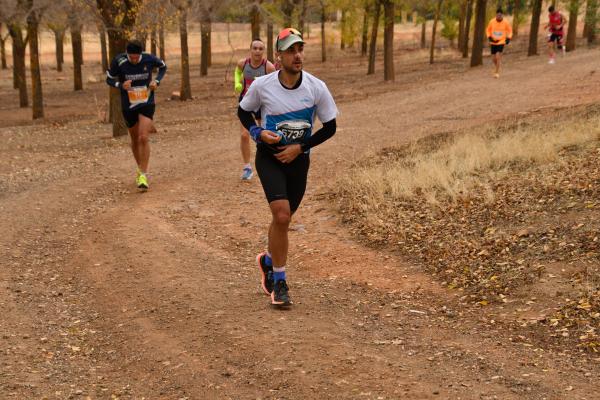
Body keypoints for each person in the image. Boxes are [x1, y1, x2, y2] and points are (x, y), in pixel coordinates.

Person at [237, 28, 338, 307]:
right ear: (278, 56)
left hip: (299, 161)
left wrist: (300, 147)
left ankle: (268, 260)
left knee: (284, 220)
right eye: (291, 50)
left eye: (300, 49)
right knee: (281, 217)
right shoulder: (262, 86)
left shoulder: (316, 87)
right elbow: (243, 111)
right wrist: (257, 133)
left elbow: (330, 127)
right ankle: (279, 282)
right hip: (269, 158)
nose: (298, 55)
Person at [106, 40, 167, 190]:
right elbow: (108, 79)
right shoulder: (119, 61)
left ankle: (143, 175)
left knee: (143, 137)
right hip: (128, 104)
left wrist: (157, 81)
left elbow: (163, 67)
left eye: (136, 57)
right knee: (134, 138)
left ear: (141, 54)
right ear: (127, 54)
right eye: (131, 57)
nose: (133, 60)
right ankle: (140, 168)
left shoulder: (149, 58)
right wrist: (120, 85)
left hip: (146, 102)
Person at [234, 39, 276, 181]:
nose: (257, 51)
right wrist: (237, 83)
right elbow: (237, 72)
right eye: (255, 48)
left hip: (262, 104)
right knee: (245, 135)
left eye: (260, 49)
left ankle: (266, 163)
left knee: (263, 134)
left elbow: (275, 84)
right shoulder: (242, 63)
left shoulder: (269, 67)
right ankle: (247, 167)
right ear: (250, 49)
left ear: (263, 51)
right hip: (246, 103)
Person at [486, 8, 513, 79]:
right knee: (493, 59)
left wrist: (508, 38)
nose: (499, 17)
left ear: (502, 15)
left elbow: (510, 31)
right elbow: (488, 30)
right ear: (496, 15)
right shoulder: (492, 21)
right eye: (498, 15)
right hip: (493, 41)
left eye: (500, 15)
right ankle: (498, 66)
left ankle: (496, 72)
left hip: (501, 41)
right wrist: (489, 37)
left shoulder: (505, 22)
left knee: (498, 57)